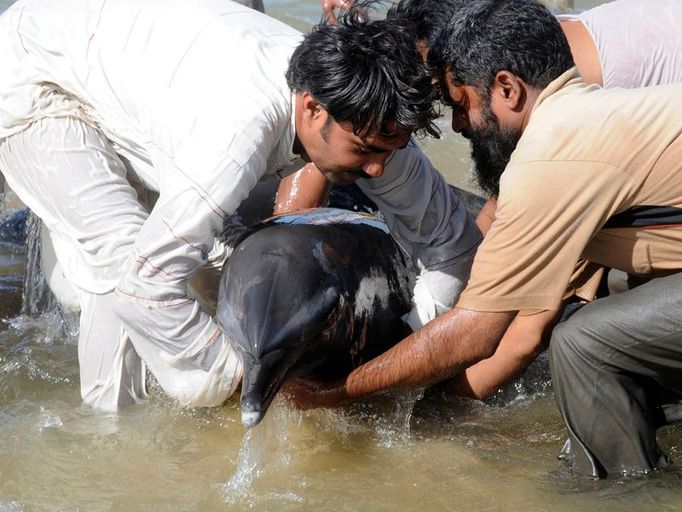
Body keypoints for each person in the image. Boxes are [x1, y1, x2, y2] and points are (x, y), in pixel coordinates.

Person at [0, 0, 480, 411]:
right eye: (364, 151)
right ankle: (110, 436)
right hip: (39, 73)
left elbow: (452, 245)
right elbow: (142, 288)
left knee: (167, 253)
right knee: (121, 256)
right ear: (313, 109)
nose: (376, 170)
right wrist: (238, 382)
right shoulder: (235, 139)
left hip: (131, 67)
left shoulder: (372, 118)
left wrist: (409, 341)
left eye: (390, 149)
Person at [294, 0, 682, 478]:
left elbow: (480, 333)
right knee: (611, 308)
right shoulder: (588, 116)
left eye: (462, 105)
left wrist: (337, 393)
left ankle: (623, 494)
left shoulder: (549, 161)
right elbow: (522, 326)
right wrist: (435, 404)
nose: (458, 126)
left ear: (507, 89)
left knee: (584, 342)